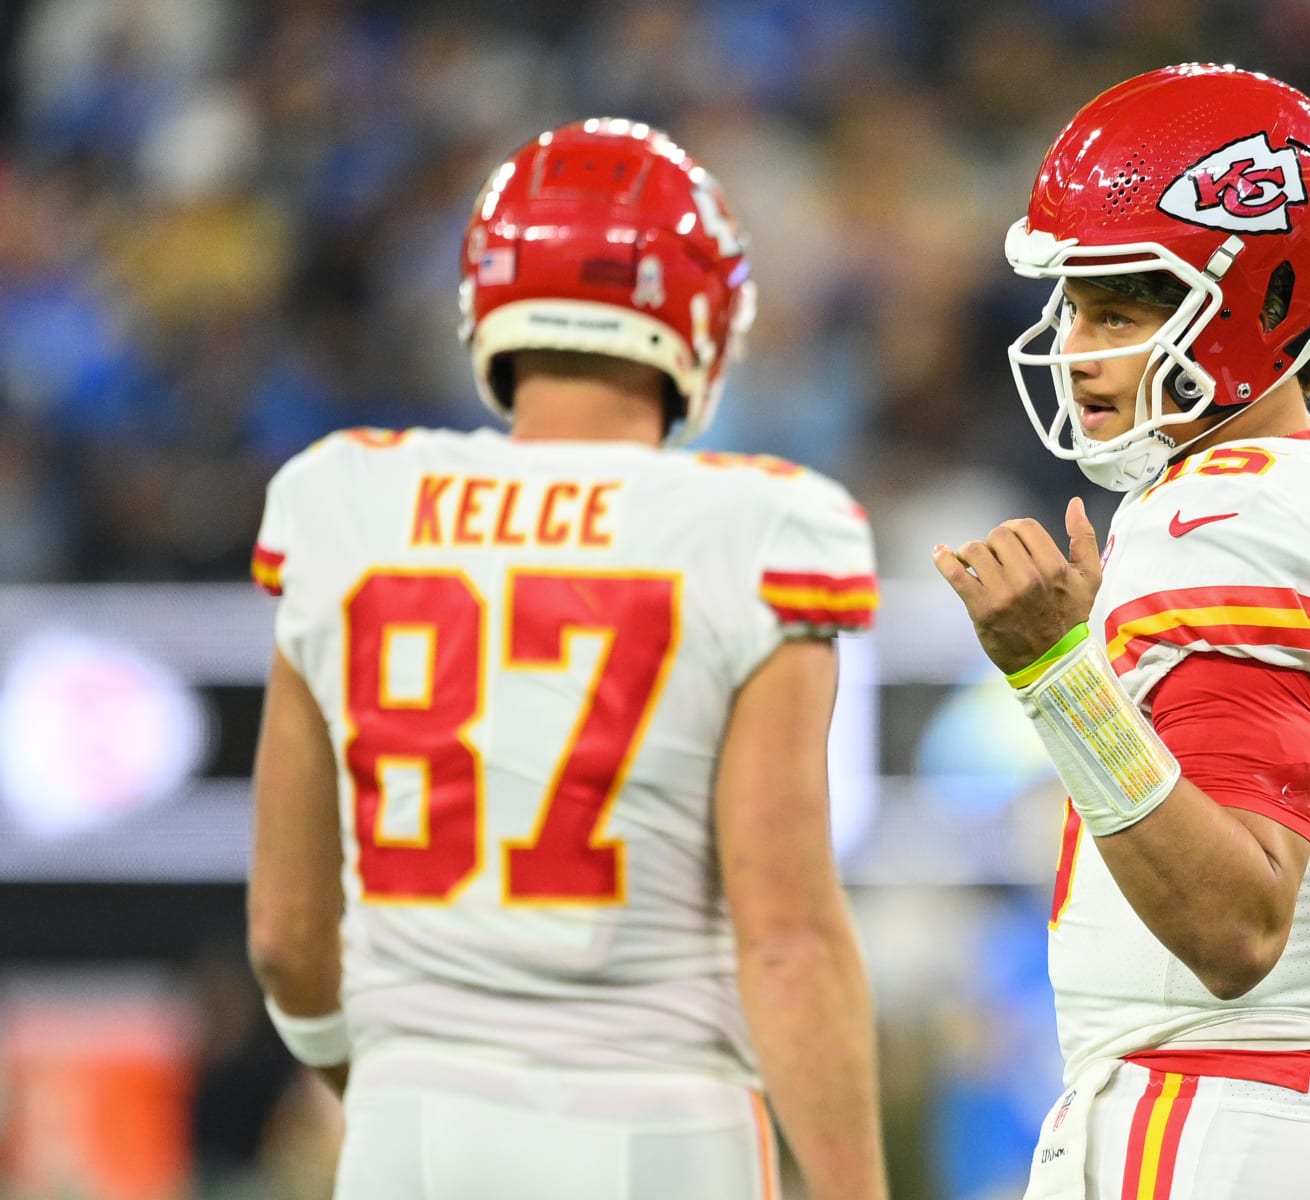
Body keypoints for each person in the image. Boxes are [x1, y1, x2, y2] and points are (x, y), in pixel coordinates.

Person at [245, 118, 887, 1200]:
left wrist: (386, 1083)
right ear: (699, 318)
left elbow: (284, 938)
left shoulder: (342, 499)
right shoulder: (755, 527)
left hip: (411, 1123)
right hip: (658, 1122)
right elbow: (787, 942)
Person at [933, 65, 1310, 1198]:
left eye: (1120, 312)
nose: (1076, 348)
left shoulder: (1228, 514)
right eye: (1074, 306)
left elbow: (1237, 927)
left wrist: (1057, 671)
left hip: (1220, 1112)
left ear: (1259, 306)